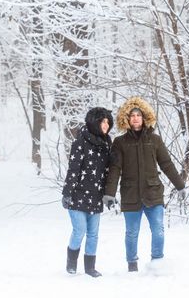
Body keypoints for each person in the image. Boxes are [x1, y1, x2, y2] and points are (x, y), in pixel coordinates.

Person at [103, 97, 186, 272]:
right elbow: (115, 169)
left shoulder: (154, 140)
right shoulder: (120, 142)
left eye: (138, 115)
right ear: (127, 119)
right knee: (132, 233)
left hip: (153, 193)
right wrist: (109, 193)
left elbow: (166, 164)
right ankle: (132, 264)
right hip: (130, 194)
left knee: (158, 230)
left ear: (144, 118)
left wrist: (180, 185)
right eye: (132, 115)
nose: (135, 118)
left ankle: (157, 262)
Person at [61, 107, 113, 277]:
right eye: (102, 121)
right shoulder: (81, 141)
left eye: (107, 122)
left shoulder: (107, 143)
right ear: (94, 122)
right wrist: (67, 193)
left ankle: (90, 267)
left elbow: (107, 172)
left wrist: (108, 194)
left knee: (93, 234)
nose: (106, 125)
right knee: (79, 230)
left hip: (96, 195)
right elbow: (73, 169)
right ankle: (71, 262)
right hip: (77, 194)